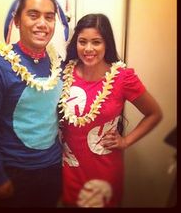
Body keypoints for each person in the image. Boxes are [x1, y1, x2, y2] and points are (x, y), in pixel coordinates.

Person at [0, 0, 69, 207]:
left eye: (49, 16)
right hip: (15, 173)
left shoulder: (58, 64)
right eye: (33, 15)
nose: (42, 24)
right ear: (16, 21)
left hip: (54, 167)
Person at [58, 13, 163, 207]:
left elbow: (154, 114)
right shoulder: (64, 73)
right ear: (76, 44)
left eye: (96, 42)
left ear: (107, 44)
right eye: (83, 41)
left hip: (103, 169)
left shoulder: (123, 77)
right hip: (69, 167)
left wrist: (125, 141)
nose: (88, 49)